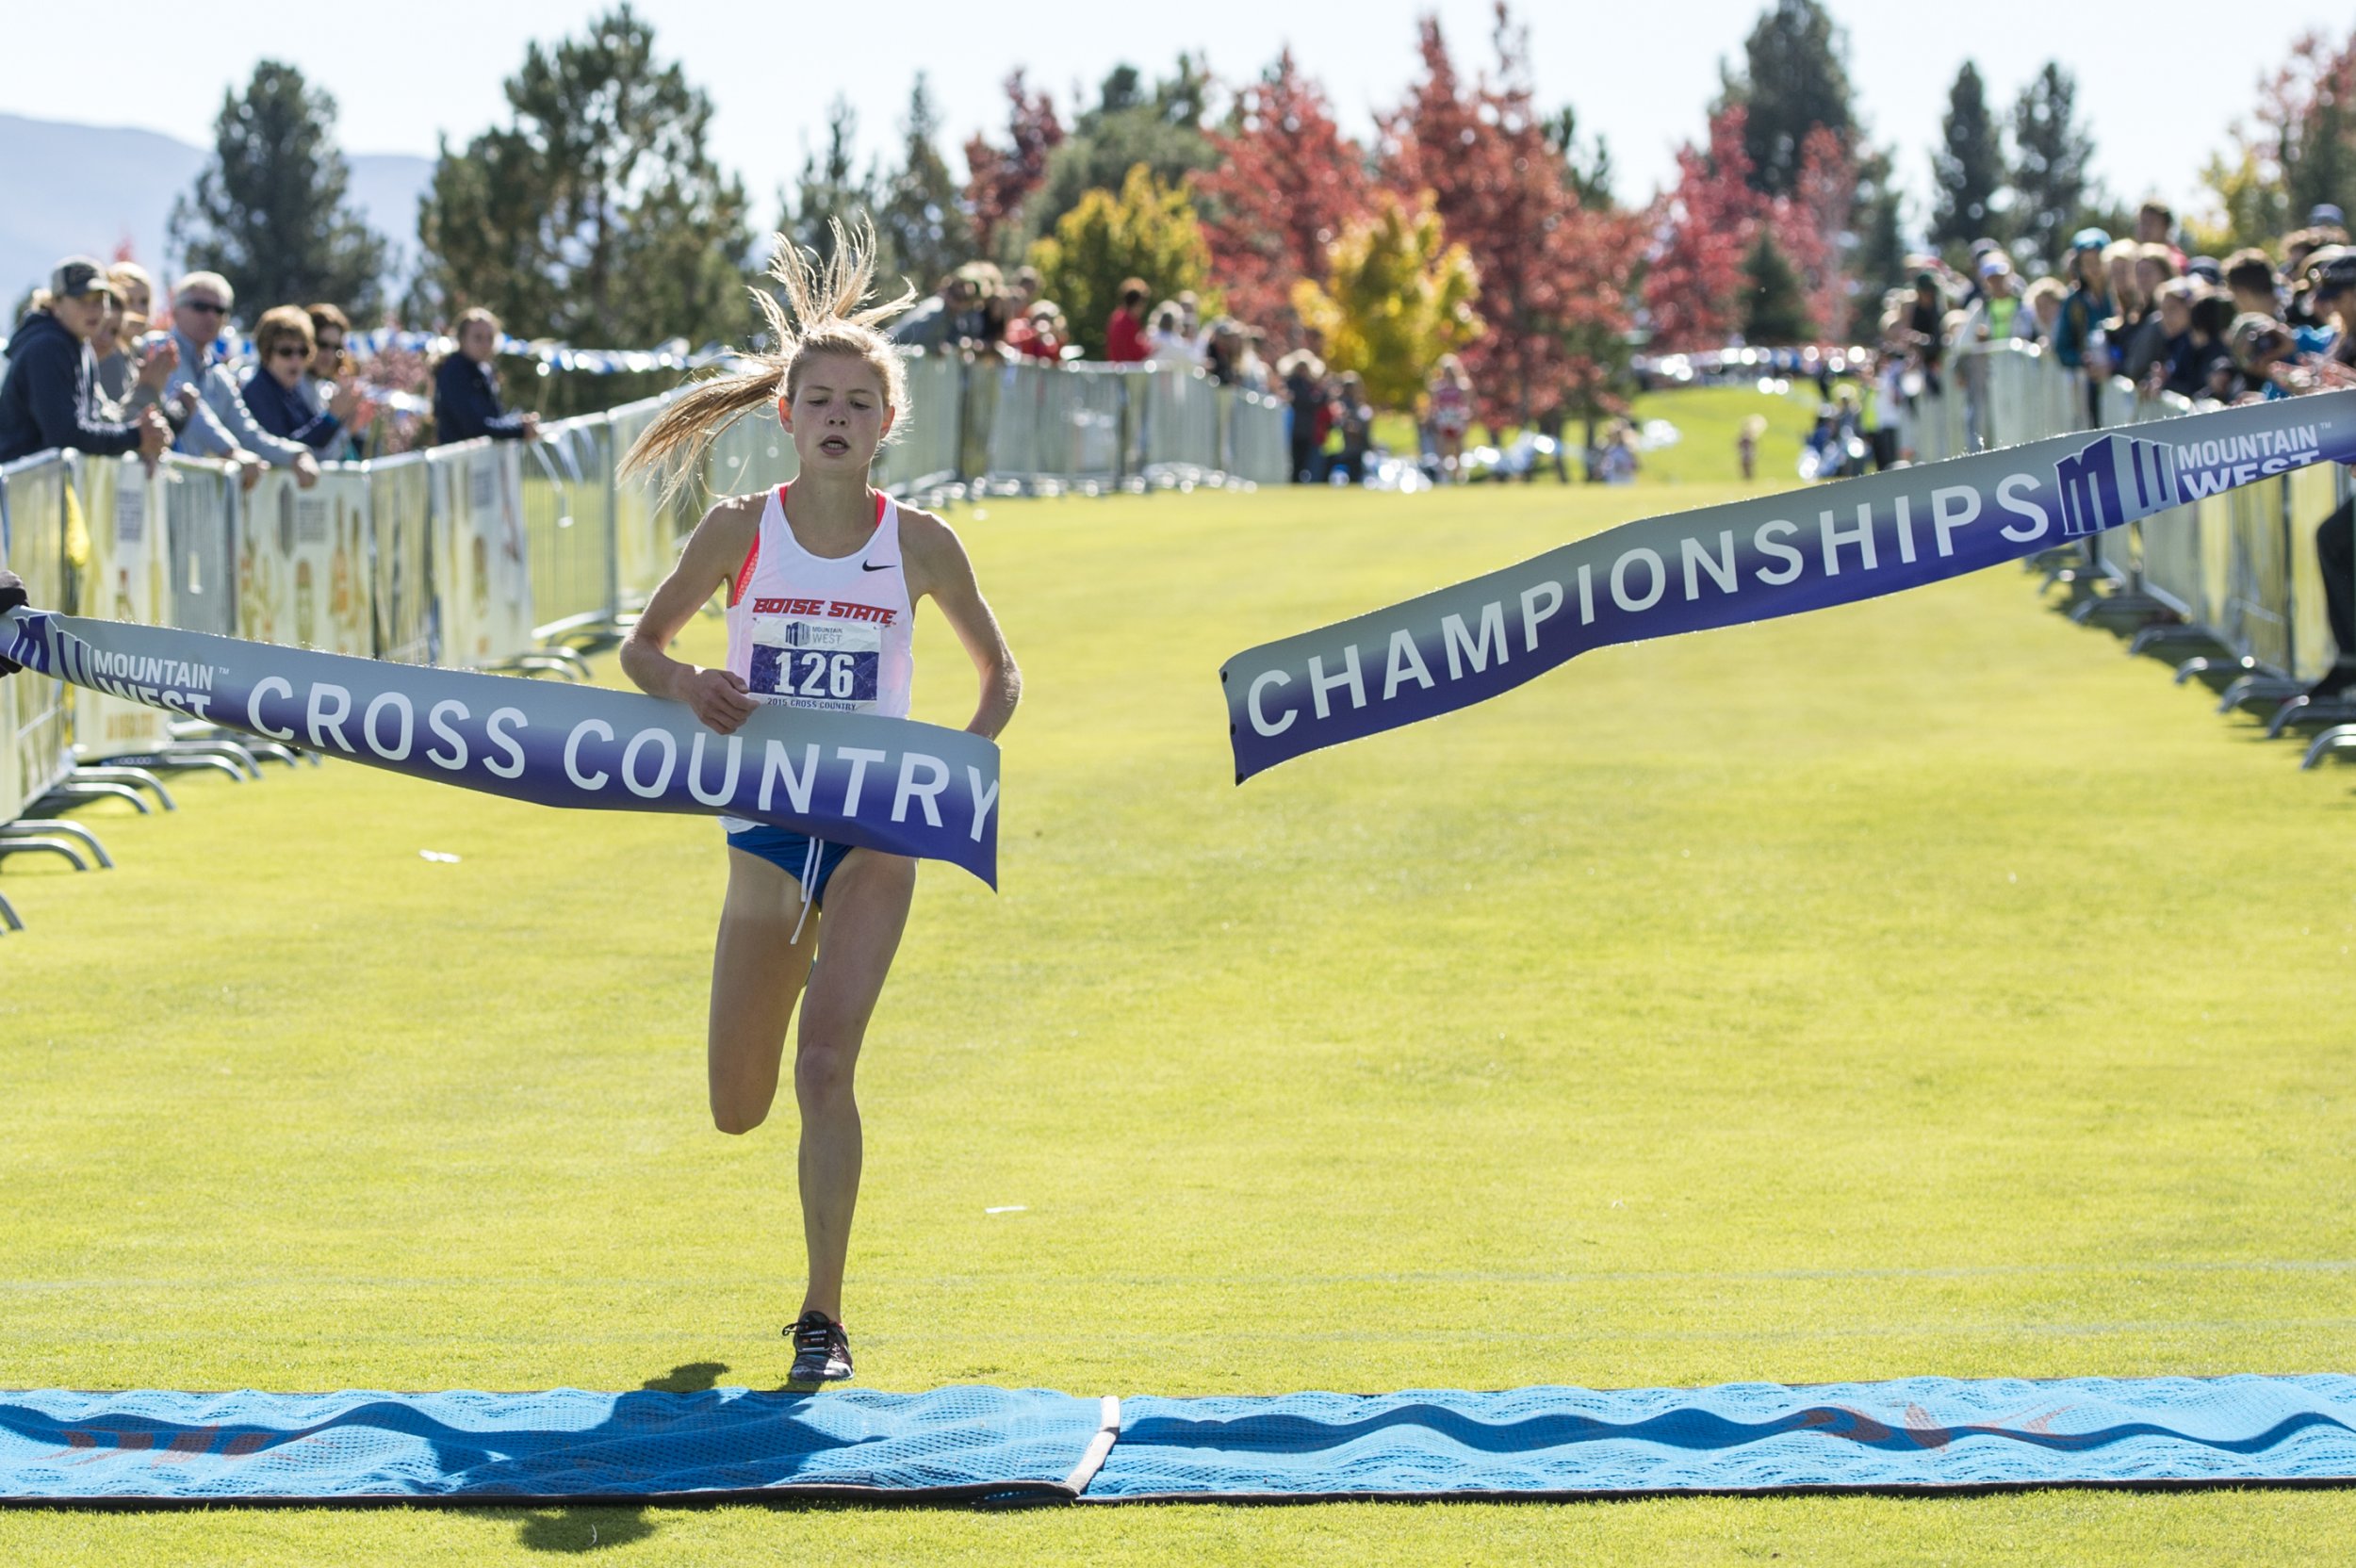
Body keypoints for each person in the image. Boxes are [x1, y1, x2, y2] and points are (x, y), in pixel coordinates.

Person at [614, 217, 1020, 1385]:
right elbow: (643, 650)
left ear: (886, 424)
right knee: (737, 1106)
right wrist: (691, 680)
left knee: (826, 1067)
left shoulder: (923, 543)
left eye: (858, 401)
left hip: (872, 833)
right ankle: (806, 1300)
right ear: (785, 416)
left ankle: (822, 1316)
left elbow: (1002, 674)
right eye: (818, 398)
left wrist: (947, 766)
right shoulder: (741, 530)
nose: (838, 415)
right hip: (761, 835)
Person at [0, 257, 171, 466]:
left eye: (99, 300)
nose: (93, 310)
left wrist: (139, 443)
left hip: (41, 489)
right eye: (82, 300)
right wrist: (135, 437)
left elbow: (94, 423)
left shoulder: (80, 345)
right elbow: (65, 435)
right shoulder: (48, 347)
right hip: (21, 491)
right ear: (56, 304)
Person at [152, 271, 306, 490]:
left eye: (219, 310)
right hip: (161, 493)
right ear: (175, 311)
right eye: (200, 306)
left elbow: (248, 433)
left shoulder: (218, 374)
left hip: (199, 500)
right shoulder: (158, 351)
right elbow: (189, 407)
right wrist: (231, 451)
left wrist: (297, 455)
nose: (211, 316)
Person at [239, 306, 356, 453]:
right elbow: (283, 452)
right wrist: (331, 417)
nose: (296, 360)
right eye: (286, 352)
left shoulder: (291, 392)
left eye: (303, 352)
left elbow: (315, 450)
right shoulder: (257, 392)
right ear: (266, 353)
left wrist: (344, 422)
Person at [433, 308, 540, 445]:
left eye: (490, 338)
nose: (485, 345)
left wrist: (519, 422)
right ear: (462, 339)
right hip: (461, 463)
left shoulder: (483, 370)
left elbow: (493, 418)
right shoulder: (455, 373)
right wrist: (520, 430)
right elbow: (475, 426)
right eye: (478, 338)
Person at [1427, 354, 1473, 482]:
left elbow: (1467, 404)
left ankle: (1458, 473)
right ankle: (1443, 474)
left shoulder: (1462, 385)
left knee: (1458, 447)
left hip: (1457, 419)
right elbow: (1433, 405)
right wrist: (1432, 418)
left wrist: (1465, 417)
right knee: (1442, 447)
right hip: (1443, 419)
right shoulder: (1437, 386)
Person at [1104, 279, 1150, 364]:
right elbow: (1135, 352)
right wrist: (1150, 349)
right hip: (1127, 371)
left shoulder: (1116, 317)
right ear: (1138, 304)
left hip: (1116, 368)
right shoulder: (1129, 323)